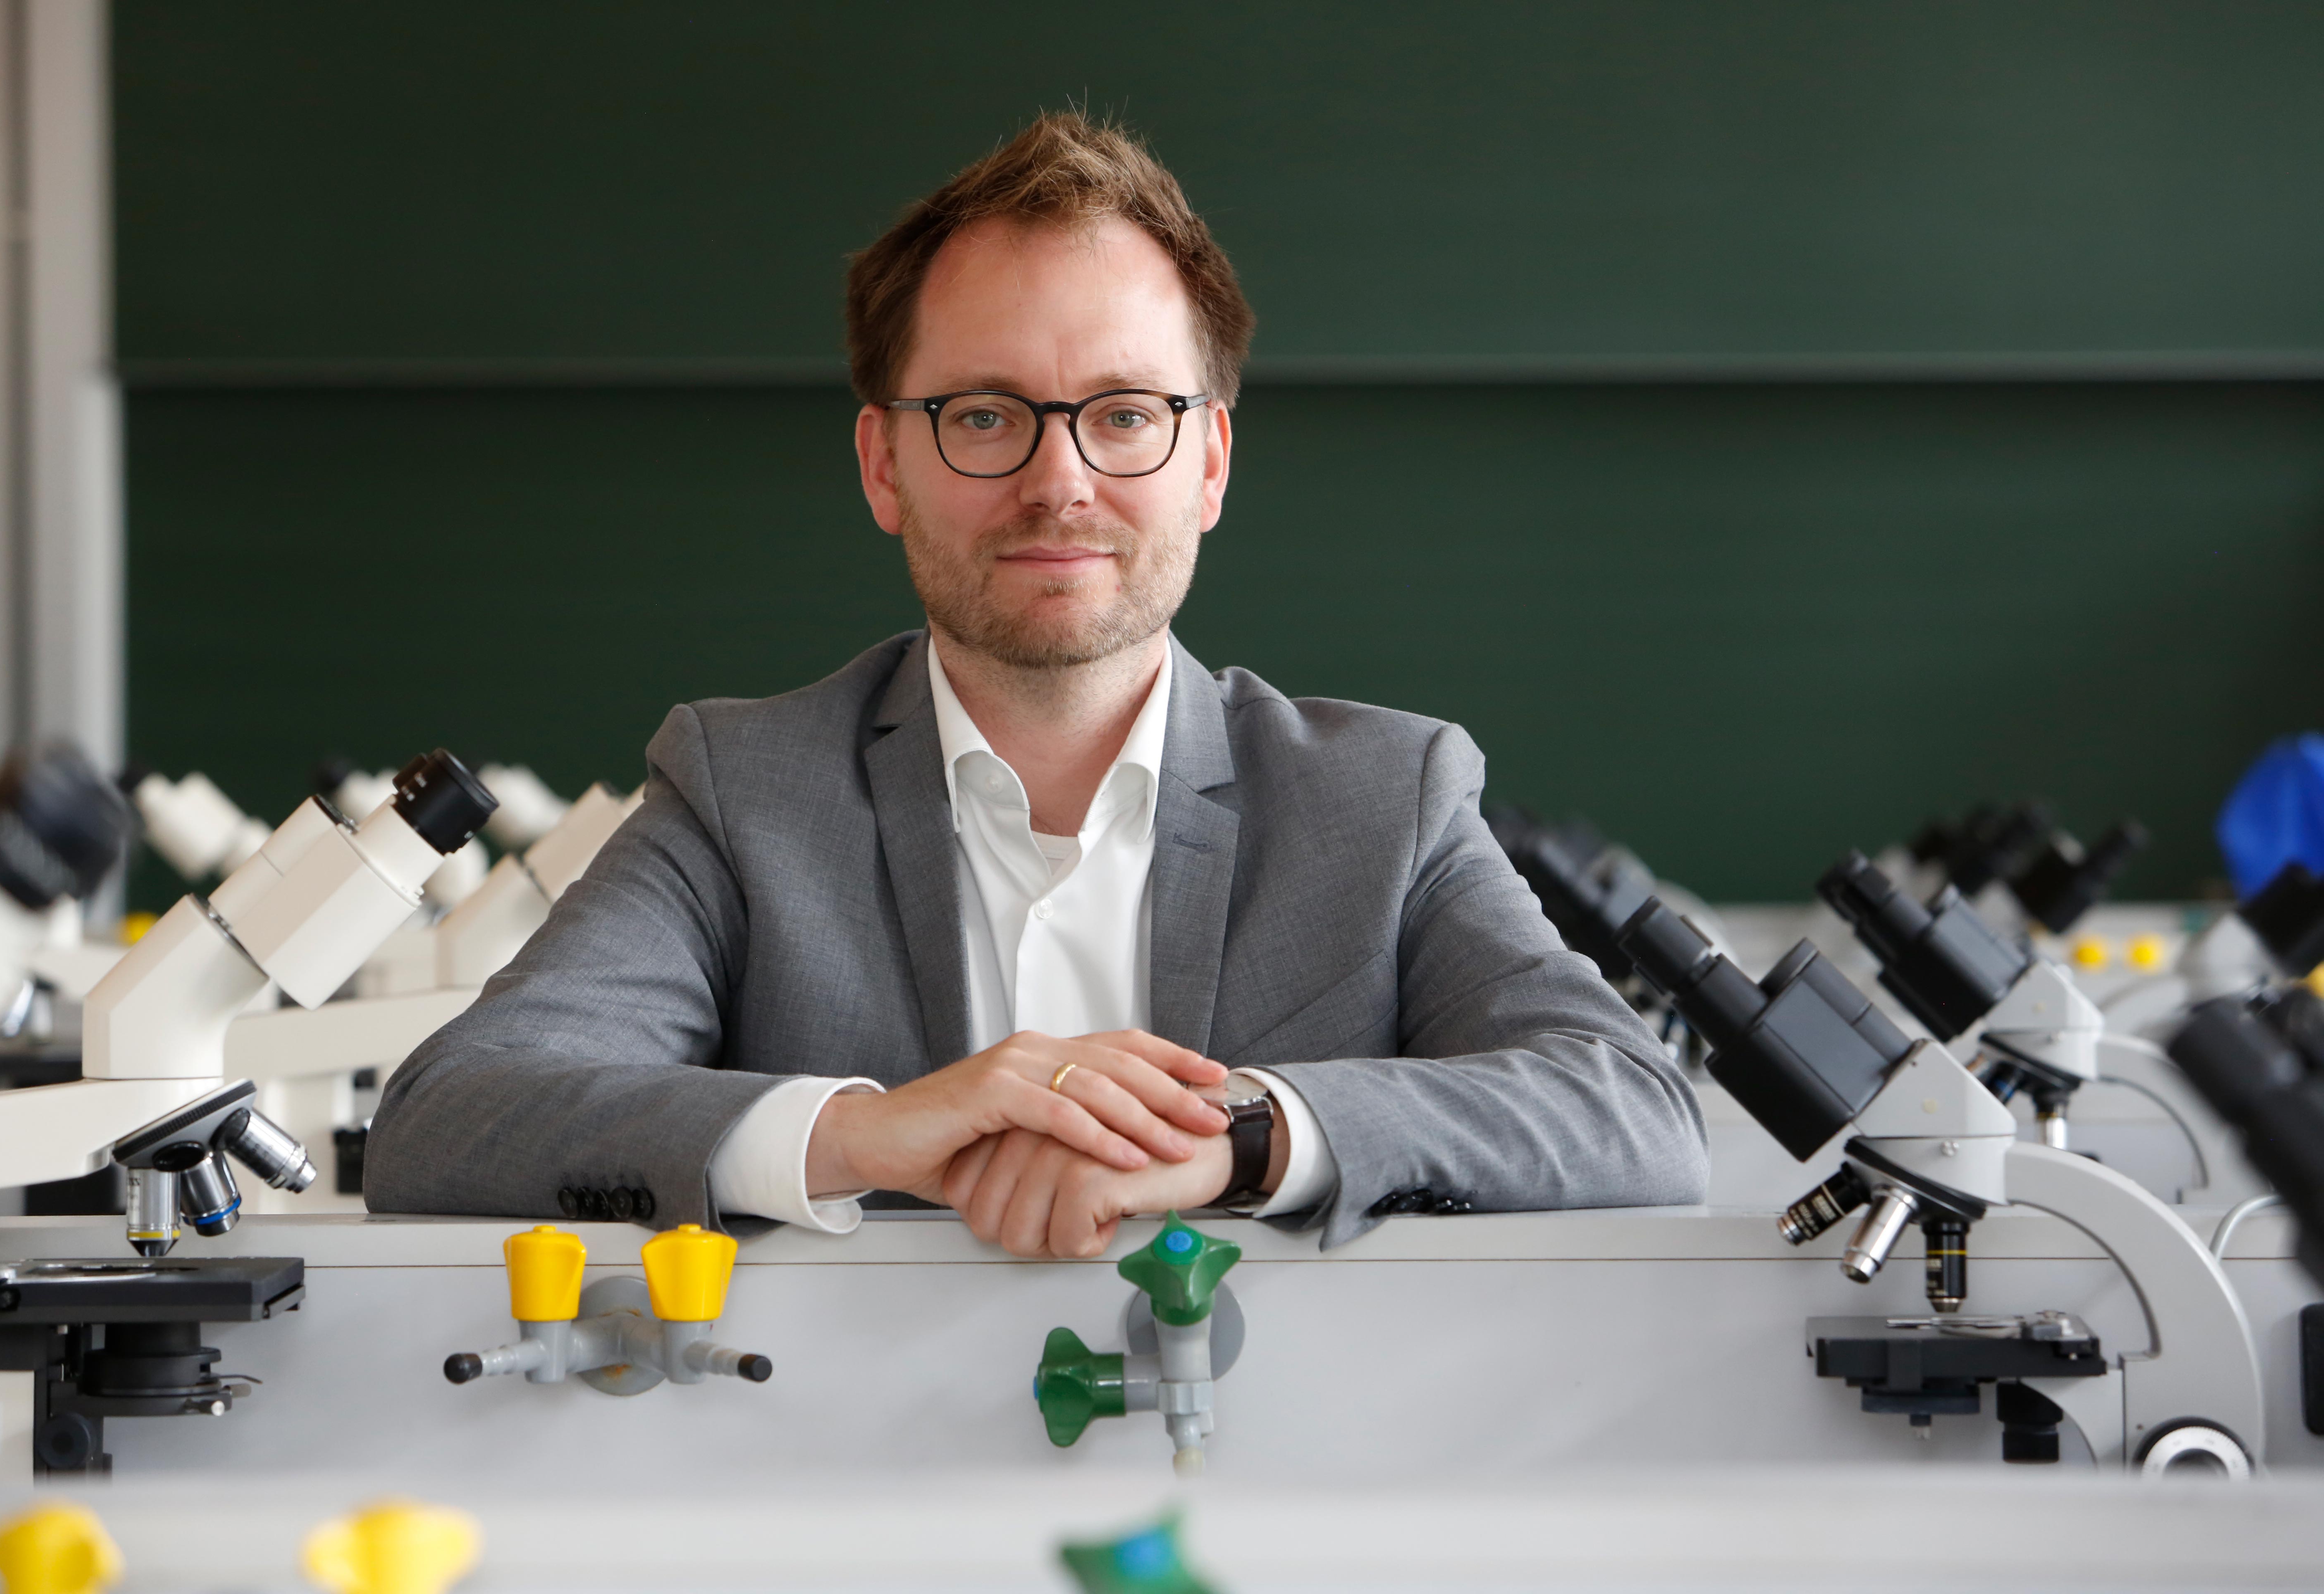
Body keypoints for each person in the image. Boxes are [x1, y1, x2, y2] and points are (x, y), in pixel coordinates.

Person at [366, 112, 1705, 1257]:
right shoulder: (740, 793)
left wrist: (1237, 1137)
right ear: (884, 466)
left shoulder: (1383, 798)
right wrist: (864, 1130)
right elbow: (450, 1116)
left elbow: (1629, 1108)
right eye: (985, 416)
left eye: (1125, 415)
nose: (1059, 482)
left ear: (1210, 463)